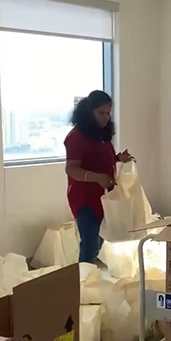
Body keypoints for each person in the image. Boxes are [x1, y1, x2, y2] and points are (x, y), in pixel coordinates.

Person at [64, 90, 134, 263]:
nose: (105, 117)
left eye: (108, 112)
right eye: (100, 113)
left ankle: (90, 276)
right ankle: (83, 282)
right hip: (85, 198)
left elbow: (98, 158)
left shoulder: (100, 134)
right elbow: (71, 169)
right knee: (89, 243)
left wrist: (118, 158)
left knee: (100, 238)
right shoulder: (77, 137)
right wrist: (96, 177)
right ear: (89, 112)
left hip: (104, 195)